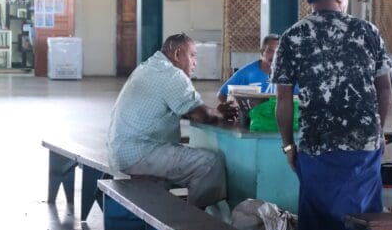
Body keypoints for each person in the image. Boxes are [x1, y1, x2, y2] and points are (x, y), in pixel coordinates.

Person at [272, 0, 392, 230]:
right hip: (363, 144)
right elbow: (384, 89)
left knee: (321, 214)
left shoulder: (292, 37)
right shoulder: (367, 31)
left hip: (316, 145)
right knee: (367, 213)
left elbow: (283, 101)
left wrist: (288, 145)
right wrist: (377, 132)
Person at [106, 33, 237, 209]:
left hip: (121, 150)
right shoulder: (172, 75)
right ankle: (196, 223)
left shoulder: (148, 66)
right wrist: (220, 112)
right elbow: (202, 115)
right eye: (192, 55)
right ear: (177, 55)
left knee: (182, 158)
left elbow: (179, 108)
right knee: (210, 163)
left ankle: (171, 218)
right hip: (139, 153)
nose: (195, 62)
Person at [217, 34, 279, 102]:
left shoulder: (288, 76)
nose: (275, 56)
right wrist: (233, 107)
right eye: (270, 50)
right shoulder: (246, 73)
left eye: (278, 51)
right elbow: (222, 94)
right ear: (262, 52)